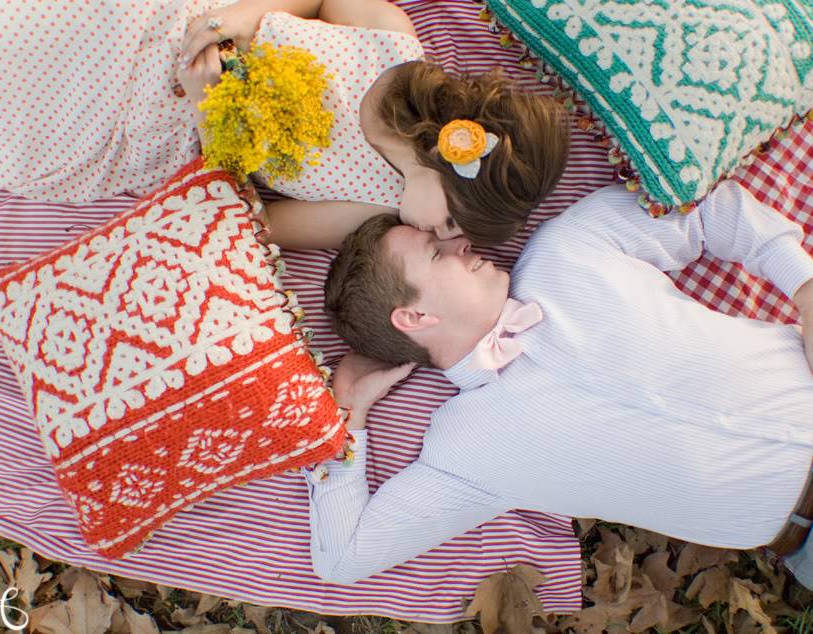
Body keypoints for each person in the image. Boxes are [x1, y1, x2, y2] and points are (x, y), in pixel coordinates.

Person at [308, 179, 813, 589]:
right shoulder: (463, 452)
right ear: (414, 317)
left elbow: (704, 209)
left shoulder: (568, 246)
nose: (460, 241)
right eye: (436, 254)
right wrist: (347, 420)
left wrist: (807, 289)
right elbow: (344, 557)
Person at [0, 0, 569, 249]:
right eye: (454, 221)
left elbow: (250, 221)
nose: (444, 238)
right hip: (179, 26)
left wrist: (208, 108)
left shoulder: (375, 207)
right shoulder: (394, 43)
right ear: (450, 155)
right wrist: (237, 20)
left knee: (8, 125)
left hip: (165, 120)